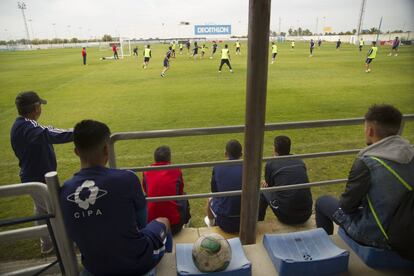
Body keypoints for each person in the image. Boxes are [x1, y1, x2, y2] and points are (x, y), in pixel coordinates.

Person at [60, 120, 171, 275]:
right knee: (163, 221)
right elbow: (142, 222)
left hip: (94, 267)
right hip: (137, 261)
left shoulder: (64, 191)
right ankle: (169, 264)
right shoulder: (127, 178)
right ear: (107, 149)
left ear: (76, 152)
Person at [315, 104, 413, 250]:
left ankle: (325, 250)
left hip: (379, 238)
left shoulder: (366, 163)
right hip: (408, 231)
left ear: (370, 130)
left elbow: (346, 207)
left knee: (322, 202)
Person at [10, 91, 73, 254]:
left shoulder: (24, 125)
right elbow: (49, 134)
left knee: (41, 210)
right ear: (36, 108)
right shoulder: (27, 127)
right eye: (40, 105)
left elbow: (47, 130)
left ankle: (47, 243)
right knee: (54, 209)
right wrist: (78, 132)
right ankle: (60, 243)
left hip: (34, 175)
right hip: (37, 177)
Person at [258, 136, 313, 224]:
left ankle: (258, 222)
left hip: (287, 217)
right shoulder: (299, 161)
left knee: (263, 191)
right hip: (306, 213)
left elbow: (270, 186)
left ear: (275, 149)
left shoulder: (271, 163)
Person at [143, 146, 191, 235]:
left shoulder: (146, 171)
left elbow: (146, 191)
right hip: (173, 227)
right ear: (169, 158)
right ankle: (186, 222)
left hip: (152, 226)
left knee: (146, 197)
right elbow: (180, 193)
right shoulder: (176, 170)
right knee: (184, 196)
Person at [205, 140, 243, 233]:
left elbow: (214, 192)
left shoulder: (218, 166)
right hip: (248, 220)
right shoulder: (248, 166)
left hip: (226, 223)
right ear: (241, 154)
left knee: (210, 198)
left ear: (225, 153)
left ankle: (211, 223)